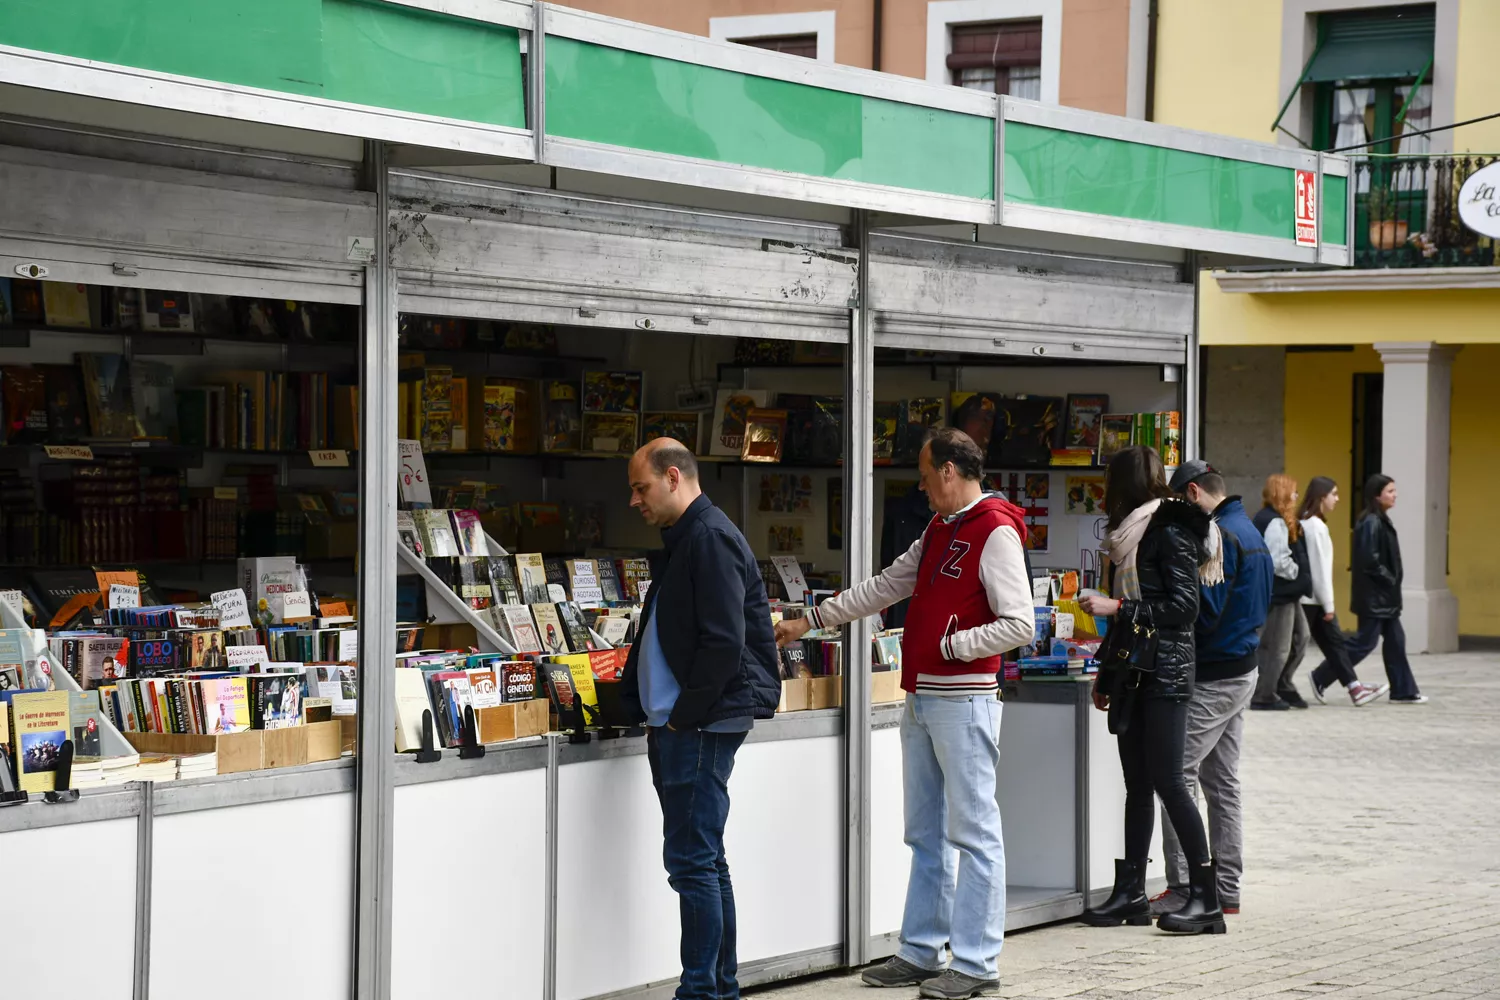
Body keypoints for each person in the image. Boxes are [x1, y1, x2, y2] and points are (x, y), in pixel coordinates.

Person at [775, 427, 1032, 1000]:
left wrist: (951, 646)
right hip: (925, 698)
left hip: (963, 699)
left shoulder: (994, 531)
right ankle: (922, 950)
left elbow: (1020, 623)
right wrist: (814, 618)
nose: (920, 486)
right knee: (926, 833)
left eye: (923, 475)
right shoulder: (941, 528)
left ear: (948, 471)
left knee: (974, 833)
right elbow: (888, 584)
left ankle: (976, 963)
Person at [618, 438, 783, 1000]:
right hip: (690, 721)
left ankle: (701, 992)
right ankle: (718, 987)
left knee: (692, 862)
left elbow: (721, 643)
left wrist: (679, 721)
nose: (635, 502)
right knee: (705, 861)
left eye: (640, 488)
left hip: (699, 724)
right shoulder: (690, 536)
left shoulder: (707, 537)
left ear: (672, 477)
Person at [1078, 446, 1226, 936]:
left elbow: (1186, 609)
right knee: (1138, 785)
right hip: (1134, 672)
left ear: (1120, 486)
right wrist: (1106, 676)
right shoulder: (1129, 538)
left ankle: (1207, 897)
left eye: (1107, 484)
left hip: (1166, 674)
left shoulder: (1168, 530)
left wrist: (1117, 607)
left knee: (1169, 782)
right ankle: (1131, 893)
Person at [1149, 460, 1272, 919]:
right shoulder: (1251, 529)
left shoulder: (1219, 536)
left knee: (1175, 776)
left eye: (1179, 502)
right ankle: (1226, 887)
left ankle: (1184, 885)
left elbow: (1203, 610)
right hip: (1243, 667)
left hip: (1216, 672)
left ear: (1194, 492)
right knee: (1222, 783)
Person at [1300, 477, 1388, 706]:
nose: (1337, 499)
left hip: (1313, 599)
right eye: (1334, 494)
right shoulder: (1316, 527)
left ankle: (1353, 687)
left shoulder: (1309, 524)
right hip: (1314, 600)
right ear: (1322, 497)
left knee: (1335, 644)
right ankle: (1274, 686)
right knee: (1295, 648)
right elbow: (1320, 570)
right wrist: (1329, 605)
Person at [1347, 474, 1425, 704]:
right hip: (1375, 597)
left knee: (1396, 642)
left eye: (1394, 490)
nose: (1395, 495)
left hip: (1384, 598)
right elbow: (1369, 561)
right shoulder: (1371, 521)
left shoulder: (1379, 520)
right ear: (1376, 495)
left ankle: (1403, 691)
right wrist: (1390, 579)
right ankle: (1322, 675)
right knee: (1364, 643)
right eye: (1390, 491)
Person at [1250, 474, 1312, 710]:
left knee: (1301, 637)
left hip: (1288, 593)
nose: (1297, 496)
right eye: (1293, 492)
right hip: (1281, 592)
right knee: (1279, 645)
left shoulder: (1274, 519)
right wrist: (1299, 572)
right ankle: (1265, 694)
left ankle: (1281, 683)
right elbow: (1278, 561)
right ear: (1282, 493)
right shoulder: (1274, 522)